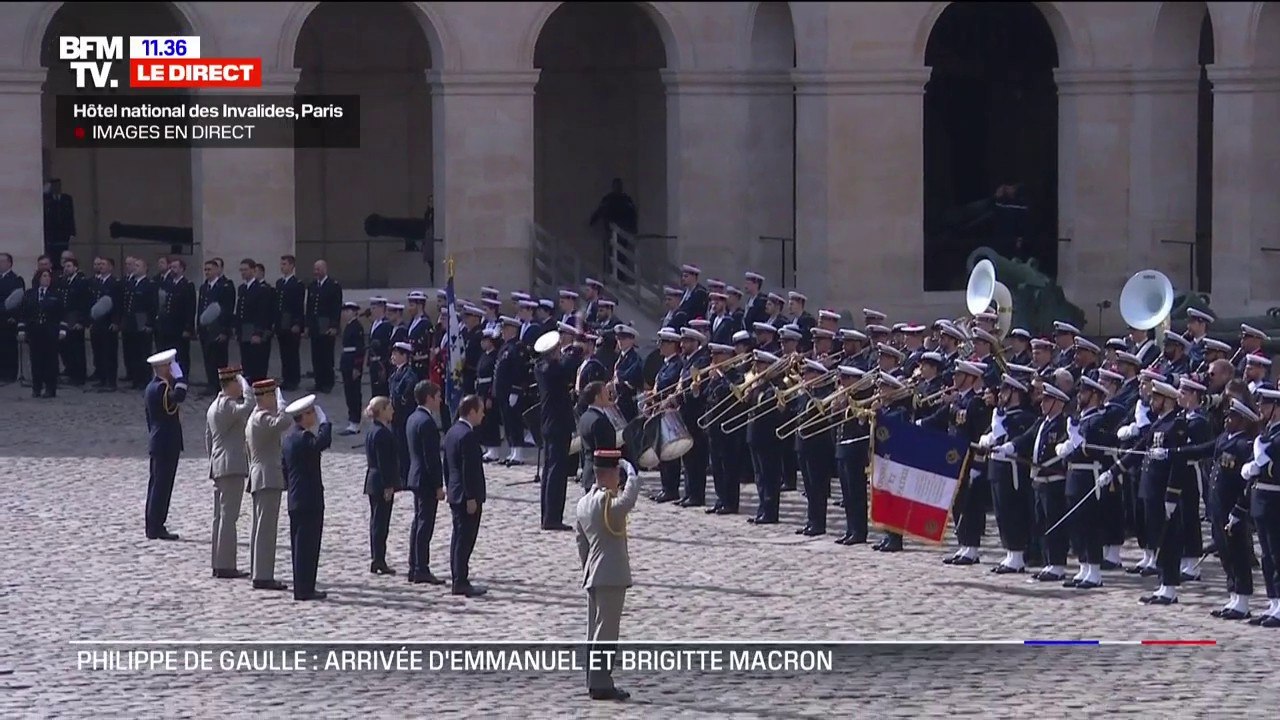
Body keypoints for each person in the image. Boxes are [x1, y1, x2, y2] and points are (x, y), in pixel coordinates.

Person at [575, 442, 640, 702]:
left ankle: (593, 678)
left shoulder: (583, 503)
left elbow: (581, 542)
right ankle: (602, 683)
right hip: (610, 574)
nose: (619, 479)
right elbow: (628, 500)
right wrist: (632, 471)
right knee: (606, 632)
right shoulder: (605, 502)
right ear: (609, 475)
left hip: (594, 573)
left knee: (595, 631)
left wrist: (588, 568)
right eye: (617, 474)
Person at [282, 394, 333, 601]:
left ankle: (303, 586)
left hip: (296, 497)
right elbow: (323, 442)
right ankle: (305, 589)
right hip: (308, 498)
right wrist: (325, 423)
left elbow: (284, 468)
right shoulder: (304, 437)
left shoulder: (288, 438)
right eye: (311, 412)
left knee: (299, 545)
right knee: (308, 546)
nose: (314, 415)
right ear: (303, 416)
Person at [205, 367, 254, 579]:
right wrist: (246, 384)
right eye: (237, 383)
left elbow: (208, 439)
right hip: (231, 466)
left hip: (219, 465)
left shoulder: (213, 406)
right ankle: (226, 565)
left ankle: (218, 562)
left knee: (219, 518)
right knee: (228, 518)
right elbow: (250, 406)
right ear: (231, 384)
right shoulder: (227, 405)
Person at [246, 378, 292, 591]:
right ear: (264, 397)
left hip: (260, 476)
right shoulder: (262, 417)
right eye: (272, 396)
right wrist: (283, 406)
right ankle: (263, 575)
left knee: (259, 527)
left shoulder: (254, 417)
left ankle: (258, 569)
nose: (275, 400)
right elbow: (283, 423)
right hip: (267, 477)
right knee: (266, 529)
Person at [444, 394, 488, 597]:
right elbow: (467, 470)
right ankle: (460, 580)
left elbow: (447, 465)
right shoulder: (467, 436)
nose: (483, 414)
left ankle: (458, 576)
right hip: (466, 497)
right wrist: (471, 497)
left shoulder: (453, 431)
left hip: (455, 492)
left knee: (458, 537)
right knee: (465, 538)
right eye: (480, 411)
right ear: (471, 412)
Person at [143, 349, 188, 540]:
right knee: (161, 486)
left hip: (160, 440)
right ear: (162, 368)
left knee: (157, 484)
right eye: (169, 366)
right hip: (165, 442)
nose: (172, 369)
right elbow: (178, 398)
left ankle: (153, 524)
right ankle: (155, 526)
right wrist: (181, 379)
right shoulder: (161, 388)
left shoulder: (155, 386)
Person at [406, 380, 446, 584]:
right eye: (438, 396)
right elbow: (431, 458)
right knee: (424, 524)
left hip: (415, 476)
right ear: (429, 398)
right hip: (425, 480)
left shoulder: (413, 418)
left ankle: (414, 565)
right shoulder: (427, 422)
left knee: (418, 522)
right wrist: (438, 485)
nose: (440, 400)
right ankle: (421, 567)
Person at [536, 332, 575, 530]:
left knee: (550, 470)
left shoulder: (541, 367)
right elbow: (569, 366)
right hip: (558, 425)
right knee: (557, 473)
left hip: (549, 424)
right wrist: (574, 346)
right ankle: (552, 517)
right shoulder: (553, 369)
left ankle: (547, 515)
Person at [363, 396, 400, 576]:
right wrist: (389, 485)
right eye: (389, 408)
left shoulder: (373, 431)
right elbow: (384, 462)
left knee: (376, 521)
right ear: (382, 411)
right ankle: (378, 559)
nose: (392, 411)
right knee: (380, 523)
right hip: (380, 482)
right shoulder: (382, 433)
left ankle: (377, 557)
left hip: (372, 480)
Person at [19, 268, 65, 398]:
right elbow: (23, 314)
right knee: (36, 361)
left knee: (50, 361)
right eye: (44, 276)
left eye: (49, 276)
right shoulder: (29, 294)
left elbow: (62, 314)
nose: (47, 278)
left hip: (50, 331)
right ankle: (36, 387)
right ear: (38, 278)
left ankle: (50, 388)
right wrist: (22, 330)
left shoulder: (56, 295)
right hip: (35, 331)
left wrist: (62, 330)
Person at [197, 259, 235, 396]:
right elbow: (201, 307)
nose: (207, 272)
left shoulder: (224, 286)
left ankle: (222, 385)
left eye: (209, 269)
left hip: (218, 329)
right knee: (208, 358)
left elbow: (227, 310)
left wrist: (225, 330)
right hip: (206, 330)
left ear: (216, 270)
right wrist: (199, 325)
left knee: (219, 359)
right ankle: (211, 383)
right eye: (205, 269)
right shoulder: (204, 287)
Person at [234, 258, 275, 382]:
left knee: (257, 362)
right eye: (241, 270)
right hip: (244, 330)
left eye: (246, 270)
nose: (243, 273)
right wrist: (237, 330)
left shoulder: (261, 289)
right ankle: (248, 387)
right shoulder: (242, 288)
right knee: (246, 361)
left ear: (253, 270)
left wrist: (258, 332)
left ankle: (258, 388)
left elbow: (263, 312)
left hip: (255, 330)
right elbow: (240, 310)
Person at [306, 260, 343, 394]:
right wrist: (308, 325)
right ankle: (318, 381)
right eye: (315, 269)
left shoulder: (333, 286)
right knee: (316, 355)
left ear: (325, 269)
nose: (316, 272)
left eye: (319, 269)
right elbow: (310, 308)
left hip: (327, 324)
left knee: (327, 355)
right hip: (316, 325)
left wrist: (334, 325)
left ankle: (328, 382)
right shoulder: (312, 286)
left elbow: (336, 307)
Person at [121, 258, 157, 390]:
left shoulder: (149, 284)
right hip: (130, 320)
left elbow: (153, 306)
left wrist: (149, 323)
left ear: (145, 268)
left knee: (143, 351)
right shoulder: (131, 283)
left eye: (138, 265)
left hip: (142, 319)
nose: (135, 268)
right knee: (132, 352)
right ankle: (135, 378)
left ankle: (145, 379)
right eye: (134, 265)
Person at [58, 256, 91, 386]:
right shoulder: (63, 281)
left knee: (77, 348)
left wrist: (81, 321)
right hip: (65, 318)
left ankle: (80, 376)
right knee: (67, 348)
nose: (66, 269)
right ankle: (71, 372)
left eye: (69, 266)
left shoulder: (81, 282)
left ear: (75, 268)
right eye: (65, 266)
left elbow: (84, 303)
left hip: (76, 317)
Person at [388, 342, 419, 483]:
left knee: (404, 447)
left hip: (403, 416)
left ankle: (405, 477)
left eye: (396, 354)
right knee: (397, 447)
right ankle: (399, 475)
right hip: (395, 417)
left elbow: (405, 397)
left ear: (404, 356)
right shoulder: (396, 373)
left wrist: (395, 405)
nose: (392, 357)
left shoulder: (409, 375)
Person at [275, 255, 306, 391]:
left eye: (285, 264)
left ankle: (294, 379)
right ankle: (286, 378)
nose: (282, 267)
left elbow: (298, 306)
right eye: (281, 264)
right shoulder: (280, 283)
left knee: (292, 352)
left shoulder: (297, 284)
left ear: (292, 266)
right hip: (282, 322)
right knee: (284, 353)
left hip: (292, 321)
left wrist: (297, 323)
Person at [338, 301, 366, 435]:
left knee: (354, 393)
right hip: (346, 361)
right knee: (349, 392)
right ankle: (352, 419)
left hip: (352, 362)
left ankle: (355, 421)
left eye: (348, 311)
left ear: (354, 312)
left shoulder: (357, 327)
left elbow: (360, 349)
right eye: (344, 311)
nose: (345, 313)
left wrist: (357, 367)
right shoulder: (349, 326)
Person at [0, 252, 24, 384]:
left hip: (7, 318)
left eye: (2, 261)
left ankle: (9, 374)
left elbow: (16, 301)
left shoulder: (16, 280)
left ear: (9, 263)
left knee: (8, 347)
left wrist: (14, 316)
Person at [43, 178, 75, 257]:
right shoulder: (47, 199)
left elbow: (71, 216)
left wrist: (72, 232)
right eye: (54, 186)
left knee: (64, 251)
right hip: (51, 232)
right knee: (52, 253)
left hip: (64, 232)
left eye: (58, 185)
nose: (57, 188)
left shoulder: (67, 198)